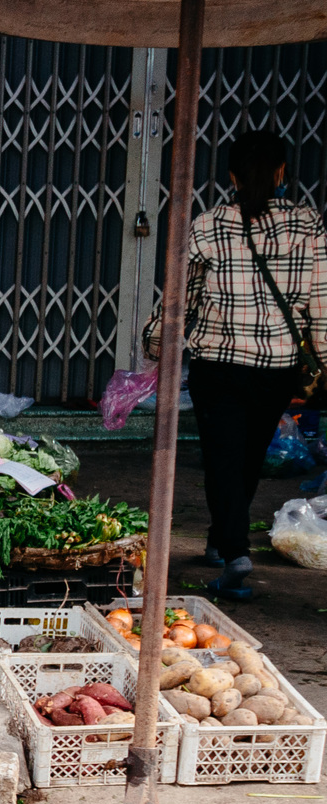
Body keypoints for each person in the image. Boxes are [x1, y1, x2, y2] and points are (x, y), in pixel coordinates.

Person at [144, 127, 325, 600]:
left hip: (218, 364)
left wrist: (157, 342)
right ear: (283, 171)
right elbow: (321, 307)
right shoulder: (310, 225)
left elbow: (181, 297)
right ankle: (224, 542)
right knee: (246, 458)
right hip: (277, 365)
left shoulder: (208, 224)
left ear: (231, 176)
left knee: (223, 456)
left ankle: (233, 548)